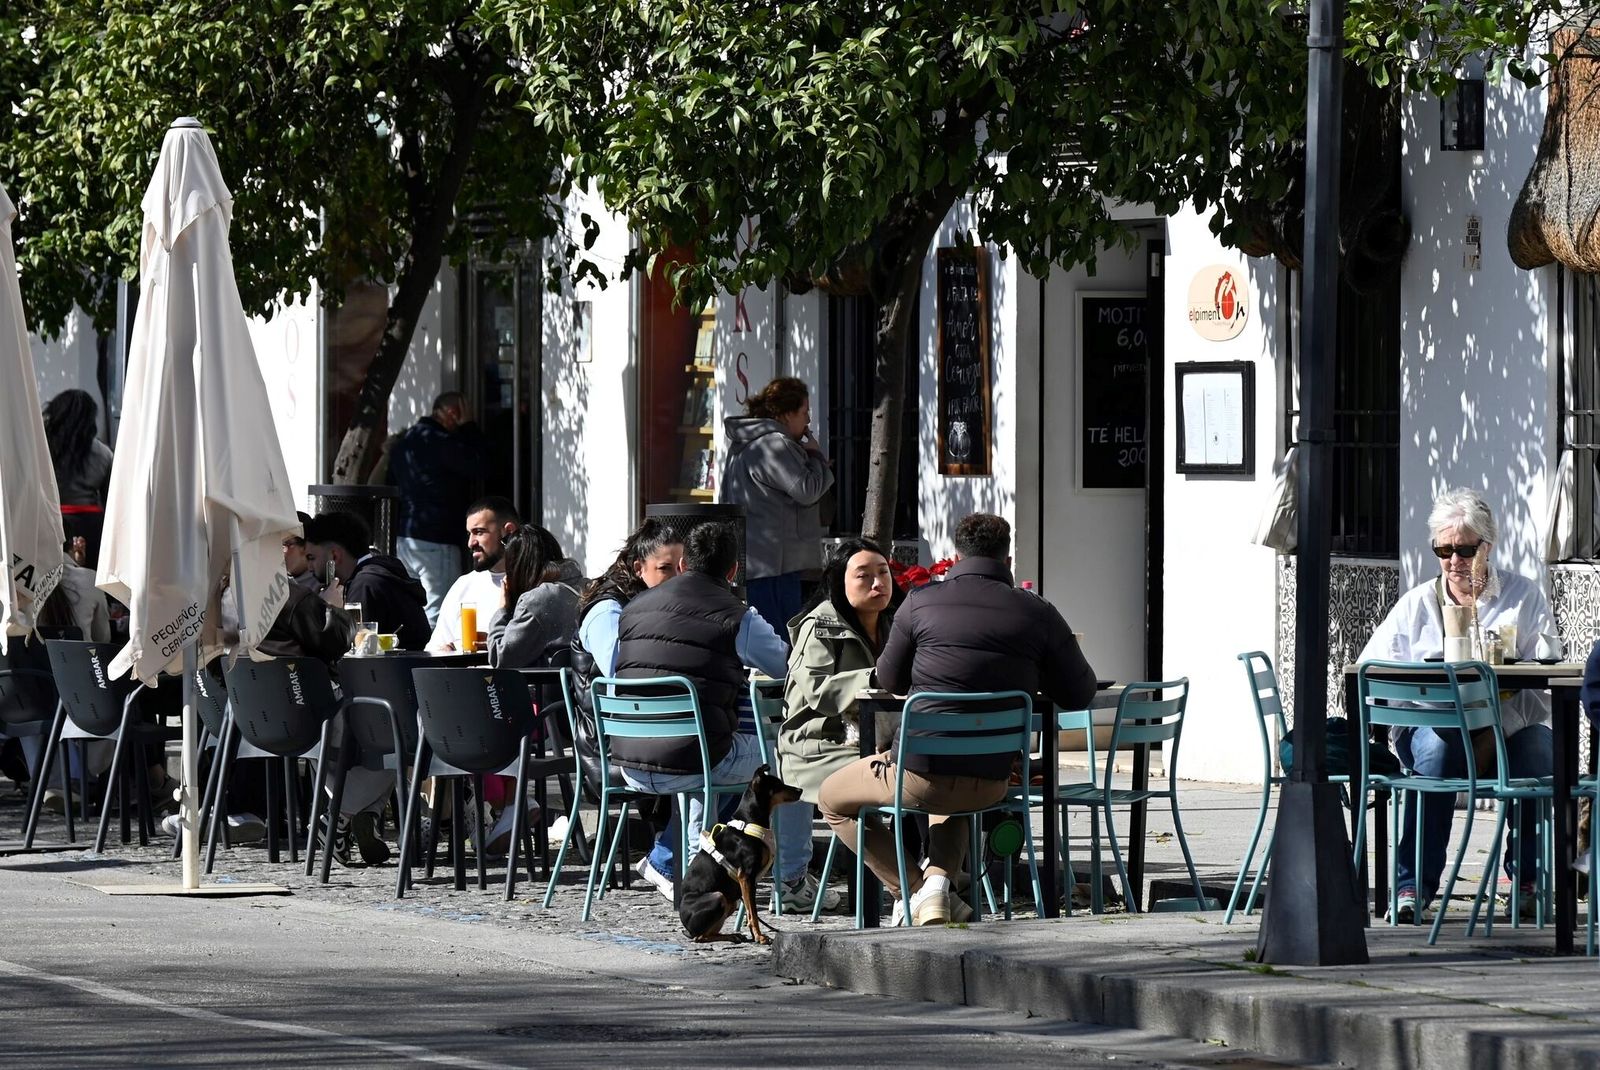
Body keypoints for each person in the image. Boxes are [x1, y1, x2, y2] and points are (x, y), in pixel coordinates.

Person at [819, 512, 1097, 926]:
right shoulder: (1037, 611)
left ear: (956, 557)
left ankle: (912, 890)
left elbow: (890, 680)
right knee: (953, 797)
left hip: (919, 773)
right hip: (992, 780)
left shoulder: (919, 602)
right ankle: (936, 889)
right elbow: (1080, 693)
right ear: (1007, 560)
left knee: (832, 799)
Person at [1358, 487, 1556, 922]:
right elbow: (1369, 671)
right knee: (1438, 750)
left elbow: (1545, 683)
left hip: (1508, 730)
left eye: (1464, 550)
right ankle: (1411, 886)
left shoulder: (1522, 598)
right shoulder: (1416, 606)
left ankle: (1527, 881)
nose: (1454, 561)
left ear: (1488, 545)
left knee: (1540, 752)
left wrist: (1494, 725)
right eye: (1443, 550)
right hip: (1433, 729)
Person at [610, 521, 789, 901]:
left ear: (682, 565)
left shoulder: (631, 610)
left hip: (630, 762)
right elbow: (785, 666)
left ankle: (681, 864)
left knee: (704, 748)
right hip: (694, 760)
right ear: (733, 571)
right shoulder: (737, 616)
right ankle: (791, 882)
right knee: (788, 758)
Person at [774, 538, 897, 913]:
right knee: (895, 778)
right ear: (839, 582)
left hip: (874, 740)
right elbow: (818, 691)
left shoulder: (897, 623)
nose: (877, 583)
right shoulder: (821, 625)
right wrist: (874, 678)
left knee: (930, 773)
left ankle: (936, 881)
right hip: (817, 747)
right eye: (864, 575)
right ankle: (909, 888)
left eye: (883, 573)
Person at [482, 525, 586, 854]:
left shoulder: (538, 598)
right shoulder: (583, 588)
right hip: (580, 710)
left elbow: (501, 657)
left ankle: (506, 807)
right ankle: (514, 805)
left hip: (545, 718)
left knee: (475, 715)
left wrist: (502, 609)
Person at [721, 376, 833, 634]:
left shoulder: (744, 444)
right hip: (776, 565)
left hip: (754, 560)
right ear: (786, 413)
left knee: (761, 637)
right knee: (781, 639)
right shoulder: (774, 444)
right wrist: (815, 456)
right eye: (804, 412)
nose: (808, 420)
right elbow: (807, 490)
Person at [388, 392, 486, 625]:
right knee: (441, 614)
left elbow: (392, 484)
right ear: (453, 414)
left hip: (406, 538)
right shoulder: (442, 442)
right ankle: (433, 651)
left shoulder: (404, 442)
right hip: (437, 539)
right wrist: (469, 428)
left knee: (414, 611)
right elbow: (480, 466)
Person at [303, 511, 430, 651]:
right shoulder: (378, 574)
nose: (309, 567)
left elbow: (353, 650)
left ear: (334, 555)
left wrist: (327, 610)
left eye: (311, 558)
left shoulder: (365, 584)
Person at [428, 497, 522, 652]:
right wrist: (443, 652)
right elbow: (435, 646)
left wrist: (492, 644)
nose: (471, 543)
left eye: (479, 532)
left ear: (509, 531)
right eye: (469, 534)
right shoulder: (464, 584)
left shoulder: (534, 583)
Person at [42, 389, 114, 569]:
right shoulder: (103, 453)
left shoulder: (43, 448)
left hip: (50, 523)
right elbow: (111, 501)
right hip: (91, 528)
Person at [283, 512, 321, 593]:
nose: (282, 552)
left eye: (286, 544)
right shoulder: (278, 581)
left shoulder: (319, 587)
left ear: (305, 547)